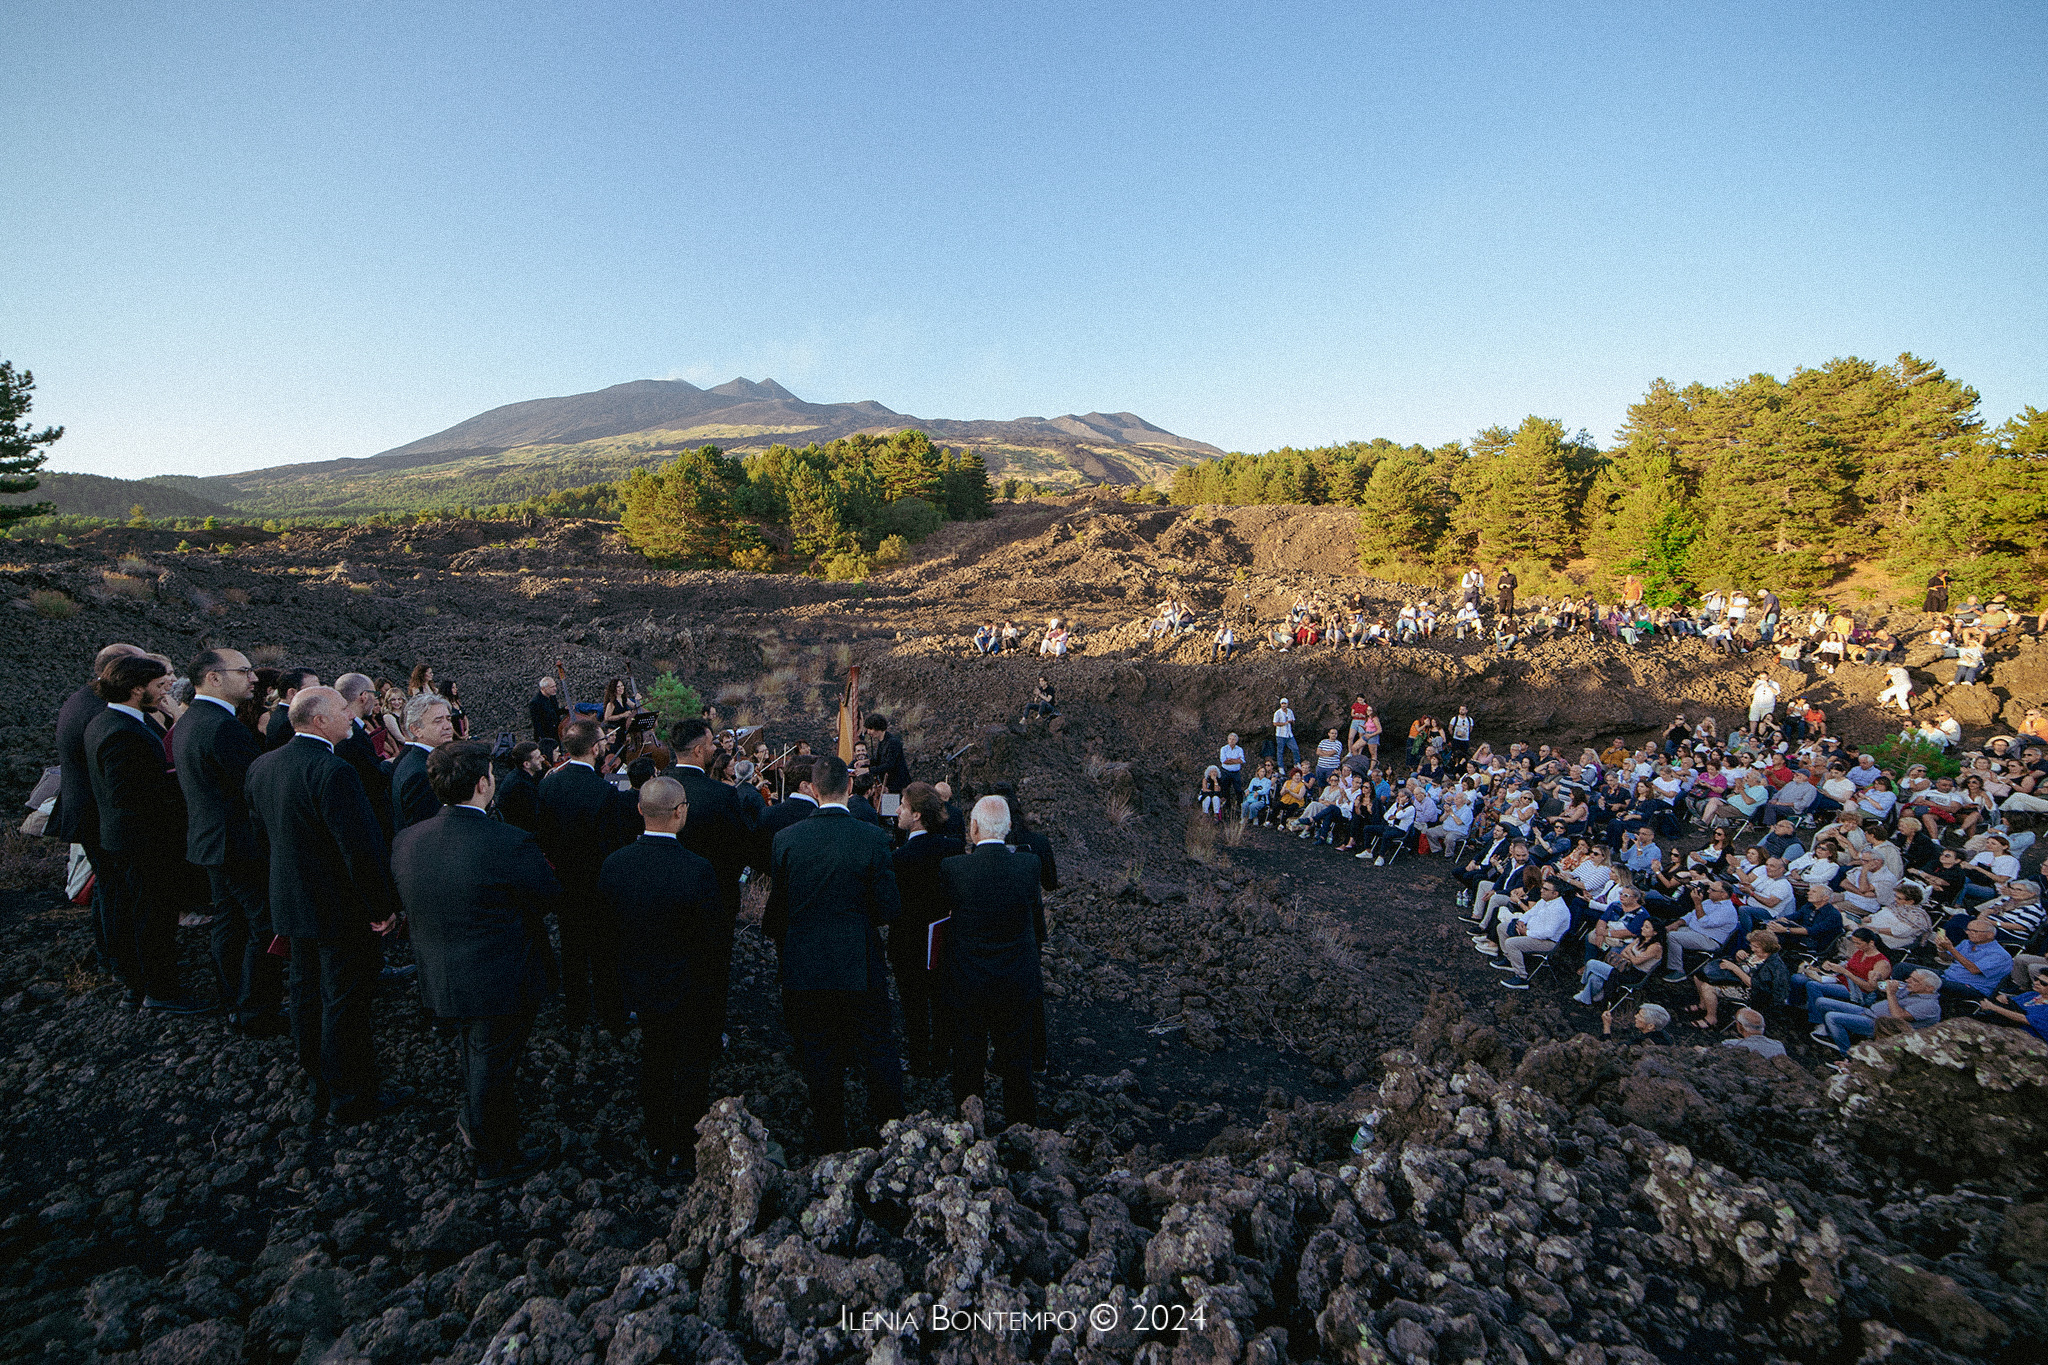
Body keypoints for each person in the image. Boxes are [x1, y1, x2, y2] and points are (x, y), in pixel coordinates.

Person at [392, 742, 558, 1188]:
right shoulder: (508, 841)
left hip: (440, 972)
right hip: (500, 976)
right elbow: (547, 896)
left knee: (477, 1053)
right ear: (484, 784)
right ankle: (493, 1156)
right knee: (494, 1063)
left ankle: (477, 1120)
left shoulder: (408, 839)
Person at [245, 687, 409, 1124]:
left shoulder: (262, 766)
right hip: (339, 909)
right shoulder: (334, 771)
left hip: (291, 902)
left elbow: (262, 839)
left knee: (305, 994)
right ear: (318, 721)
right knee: (345, 1001)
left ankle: (317, 1080)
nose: (350, 718)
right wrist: (382, 908)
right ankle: (351, 1096)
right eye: (341, 711)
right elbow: (359, 850)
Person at [762, 755, 906, 1151]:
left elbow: (781, 904)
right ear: (848, 787)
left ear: (812, 788)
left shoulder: (787, 839)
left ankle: (831, 1141)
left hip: (805, 962)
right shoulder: (872, 837)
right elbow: (888, 908)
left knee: (819, 1052)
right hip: (858, 959)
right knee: (877, 1044)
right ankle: (890, 1135)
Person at [603, 776, 725, 1177]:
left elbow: (606, 935)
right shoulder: (698, 870)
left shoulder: (616, 865)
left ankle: (657, 1142)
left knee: (654, 1060)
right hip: (689, 988)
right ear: (680, 812)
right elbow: (712, 944)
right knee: (691, 1066)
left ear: (640, 810)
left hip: (639, 986)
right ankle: (687, 1148)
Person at [87, 654, 211, 1014]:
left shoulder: (106, 721)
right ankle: (160, 992)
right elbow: (130, 797)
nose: (166, 690)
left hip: (126, 839)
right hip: (144, 844)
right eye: (159, 686)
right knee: (152, 920)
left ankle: (139, 986)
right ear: (136, 689)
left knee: (139, 915)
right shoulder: (123, 732)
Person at [174, 648, 281, 1032]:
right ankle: (255, 1011)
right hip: (238, 845)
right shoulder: (223, 727)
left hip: (211, 843)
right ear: (215, 678)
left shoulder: (192, 720)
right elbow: (253, 787)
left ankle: (234, 1000)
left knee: (230, 923)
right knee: (263, 926)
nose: (253, 678)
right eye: (245, 671)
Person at [939, 795, 1045, 1126]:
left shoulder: (953, 868)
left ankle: (968, 1131)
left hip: (968, 982)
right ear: (1010, 828)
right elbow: (1037, 926)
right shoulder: (1029, 865)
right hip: (1015, 981)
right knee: (1016, 1062)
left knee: (967, 1060)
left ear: (972, 828)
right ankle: (1022, 1131)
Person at [53, 642, 147, 975]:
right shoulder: (103, 711)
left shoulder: (80, 699)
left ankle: (111, 955)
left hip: (84, 808)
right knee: (115, 888)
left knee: (108, 887)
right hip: (97, 813)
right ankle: (120, 962)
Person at [537, 721, 631, 1039]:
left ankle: (575, 1015)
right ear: (594, 749)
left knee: (572, 949)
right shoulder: (604, 792)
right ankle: (612, 1016)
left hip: (565, 882)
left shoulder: (548, 785)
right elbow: (612, 845)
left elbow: (544, 836)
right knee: (605, 952)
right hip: (597, 884)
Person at [888, 782, 963, 1078]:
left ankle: (919, 1062)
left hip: (907, 944)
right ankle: (942, 1060)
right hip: (943, 939)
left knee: (913, 1006)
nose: (897, 811)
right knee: (942, 1001)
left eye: (903, 806)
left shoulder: (900, 859)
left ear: (917, 815)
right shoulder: (953, 849)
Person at [1813, 970, 1942, 1055]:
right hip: (1868, 1012)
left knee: (1832, 1017)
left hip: (1879, 1025)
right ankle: (1831, 1033)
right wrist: (1879, 980)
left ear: (1929, 988)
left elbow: (1898, 1016)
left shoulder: (1930, 1005)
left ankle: (1847, 1053)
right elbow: (1880, 987)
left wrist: (1891, 993)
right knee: (1821, 1002)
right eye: (1910, 977)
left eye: (1914, 980)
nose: (1908, 980)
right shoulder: (1911, 989)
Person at [391, 692, 456, 834]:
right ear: (416, 730)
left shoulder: (420, 760)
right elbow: (426, 830)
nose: (448, 726)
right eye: (438, 721)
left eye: (448, 719)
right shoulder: (420, 773)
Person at [262, 667, 320, 752]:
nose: (319, 694)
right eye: (312, 690)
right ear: (292, 693)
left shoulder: (281, 714)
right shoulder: (288, 723)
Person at [495, 741, 546, 833]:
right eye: (538, 758)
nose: (542, 759)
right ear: (526, 764)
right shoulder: (520, 786)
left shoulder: (521, 776)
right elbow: (536, 816)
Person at [864, 713, 912, 794]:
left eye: (870, 729)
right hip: (888, 785)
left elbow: (889, 764)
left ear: (878, 727)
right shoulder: (882, 742)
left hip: (897, 787)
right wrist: (866, 762)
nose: (868, 732)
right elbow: (878, 760)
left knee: (892, 806)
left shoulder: (893, 742)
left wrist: (868, 770)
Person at [529, 675, 564, 753]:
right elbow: (536, 723)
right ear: (544, 688)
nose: (555, 689)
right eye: (552, 687)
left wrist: (565, 709)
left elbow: (555, 712)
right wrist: (543, 739)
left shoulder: (552, 697)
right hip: (546, 735)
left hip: (555, 733)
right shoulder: (535, 702)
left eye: (555, 686)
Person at [1273, 698, 1299, 771]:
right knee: (1280, 751)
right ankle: (1280, 767)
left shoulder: (1290, 711)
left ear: (1287, 704)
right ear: (1280, 704)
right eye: (1282, 703)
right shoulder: (1277, 713)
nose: (1284, 705)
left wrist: (1291, 722)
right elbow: (1275, 723)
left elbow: (1293, 721)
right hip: (1280, 735)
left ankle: (1296, 763)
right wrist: (1284, 723)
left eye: (1285, 703)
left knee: (1295, 748)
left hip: (1289, 734)